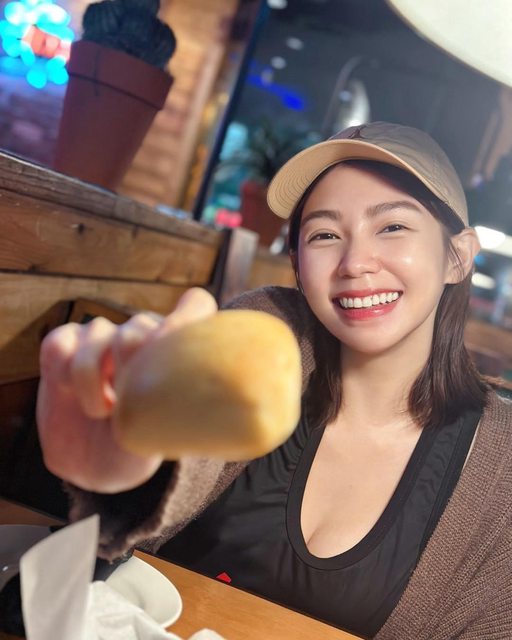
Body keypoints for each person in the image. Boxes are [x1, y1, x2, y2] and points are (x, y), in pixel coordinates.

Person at [37, 122, 512, 640]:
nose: (355, 263)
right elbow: (186, 450)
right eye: (325, 235)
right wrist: (130, 464)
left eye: (392, 226)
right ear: (297, 265)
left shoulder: (500, 461)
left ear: (457, 256)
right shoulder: (268, 331)